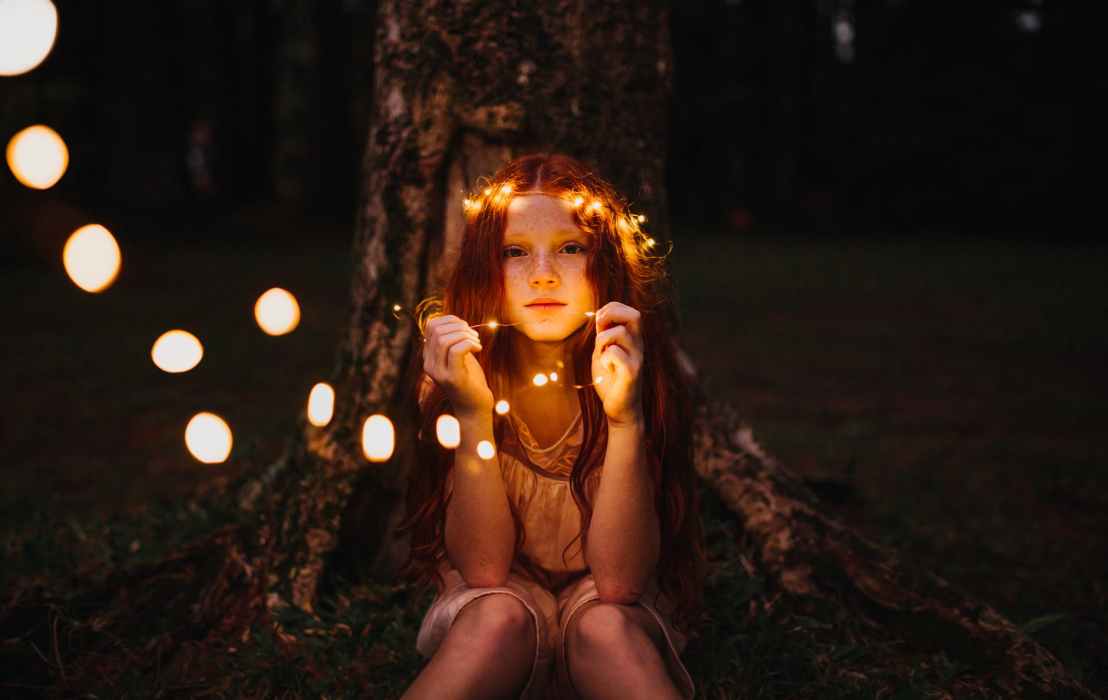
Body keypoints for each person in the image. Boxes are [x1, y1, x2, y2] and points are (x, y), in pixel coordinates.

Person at [397, 153, 706, 700]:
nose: (543, 273)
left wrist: (626, 418)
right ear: (484, 270)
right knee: (497, 618)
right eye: (514, 253)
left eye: (570, 248)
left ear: (604, 262)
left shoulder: (633, 371)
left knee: (604, 625)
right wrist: (471, 414)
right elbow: (486, 569)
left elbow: (619, 583)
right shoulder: (460, 374)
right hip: (496, 603)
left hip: (609, 606)